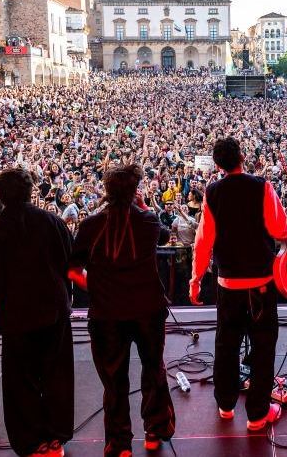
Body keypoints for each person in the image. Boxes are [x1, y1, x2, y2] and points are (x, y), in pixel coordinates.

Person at [190, 137, 287, 432]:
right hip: (260, 286)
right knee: (263, 347)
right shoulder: (262, 186)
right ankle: (257, 415)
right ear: (242, 157)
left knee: (226, 345)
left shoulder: (212, 192)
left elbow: (203, 241)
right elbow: (279, 229)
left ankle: (225, 406)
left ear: (217, 165)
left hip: (227, 285)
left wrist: (196, 278)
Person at [69, 164, 176, 457]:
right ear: (135, 190)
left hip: (106, 314)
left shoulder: (91, 225)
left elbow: (74, 269)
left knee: (114, 381)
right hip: (148, 310)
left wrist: (96, 287)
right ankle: (155, 430)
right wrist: (140, 205)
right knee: (153, 369)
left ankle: (119, 444)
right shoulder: (149, 221)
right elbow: (164, 235)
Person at [0, 169, 75, 457]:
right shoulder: (53, 221)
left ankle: (30, 442)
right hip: (53, 309)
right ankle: (56, 439)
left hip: (15, 314)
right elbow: (70, 265)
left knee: (20, 380)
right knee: (56, 374)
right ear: (31, 191)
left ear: (0, 194)